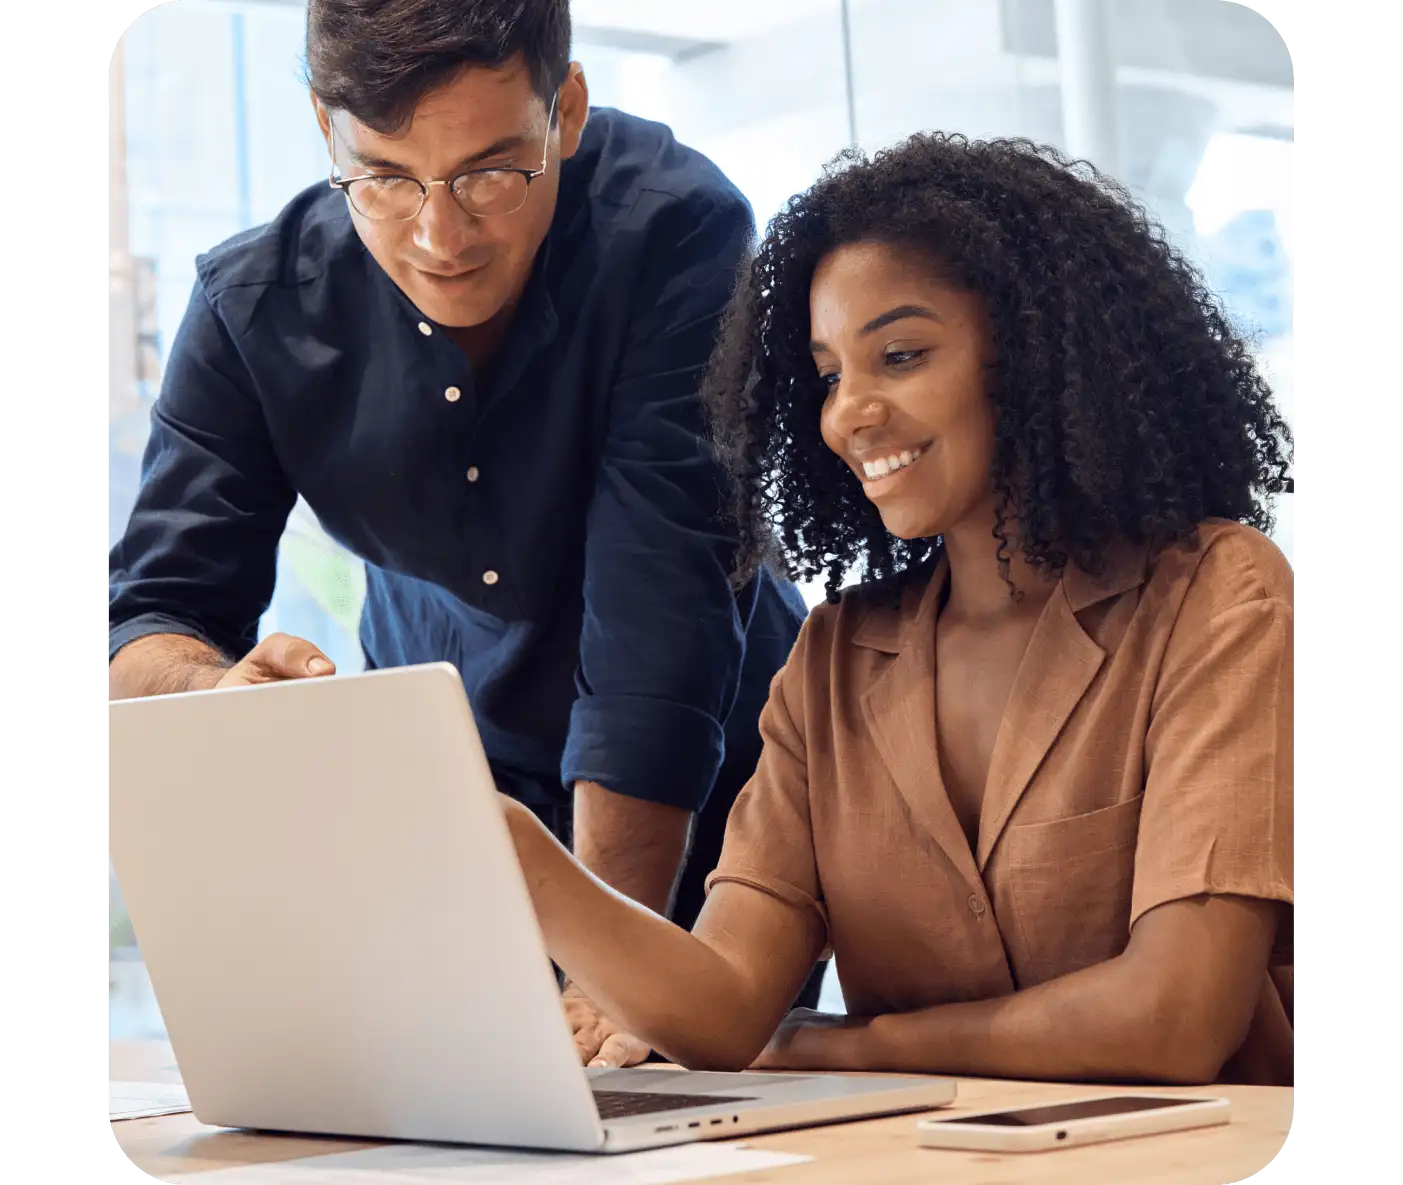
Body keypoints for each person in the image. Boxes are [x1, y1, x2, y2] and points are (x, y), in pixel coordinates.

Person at [104, 0, 823, 1059]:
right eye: (386, 178)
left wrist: (600, 970)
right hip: (456, 824)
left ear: (563, 111)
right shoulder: (253, 310)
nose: (440, 235)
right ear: (323, 127)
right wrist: (216, 694)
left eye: (491, 172)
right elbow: (145, 619)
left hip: (714, 818)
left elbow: (654, 622)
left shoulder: (672, 231)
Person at [497, 132, 1297, 1084]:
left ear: (1035, 354)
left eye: (902, 355)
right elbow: (723, 1006)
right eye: (830, 375)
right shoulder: (833, 659)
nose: (848, 412)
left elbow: (1171, 1018)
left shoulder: (1214, 595)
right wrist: (518, 854)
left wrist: (851, 1044)